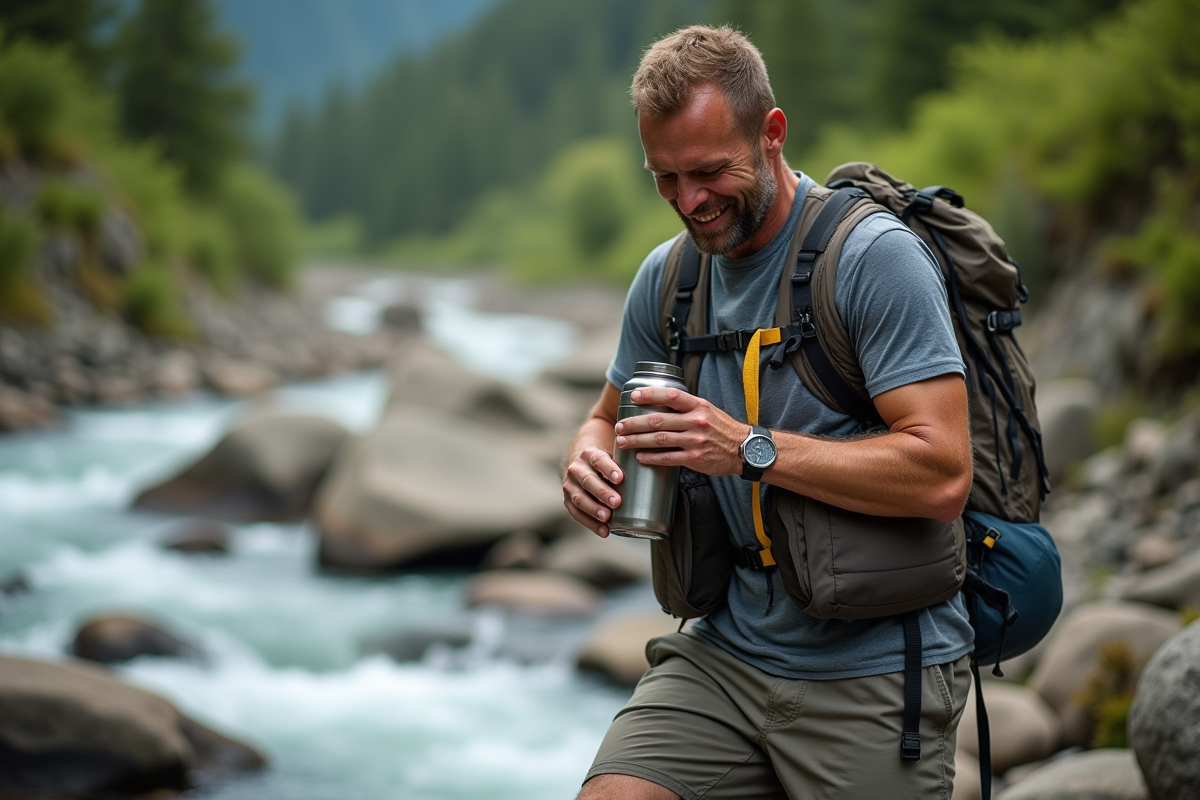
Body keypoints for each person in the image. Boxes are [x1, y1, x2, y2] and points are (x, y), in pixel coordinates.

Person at [560, 25, 975, 800]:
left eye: (710, 171)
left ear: (772, 133)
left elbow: (943, 473)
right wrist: (586, 455)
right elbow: (603, 416)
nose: (689, 201)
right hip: (724, 653)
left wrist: (750, 448)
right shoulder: (668, 281)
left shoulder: (873, 259)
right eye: (665, 177)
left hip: (876, 663)